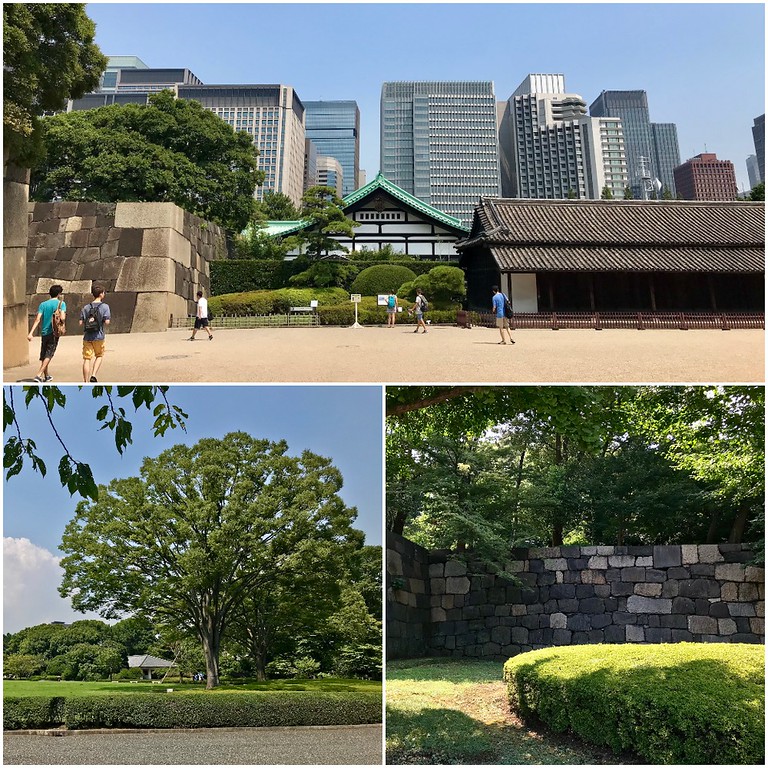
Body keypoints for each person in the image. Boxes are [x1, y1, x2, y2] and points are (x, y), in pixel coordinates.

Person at [27, 284, 66, 382]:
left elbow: (37, 319)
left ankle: (46, 376)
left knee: (44, 354)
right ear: (59, 294)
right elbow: (62, 318)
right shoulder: (61, 304)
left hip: (44, 332)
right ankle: (38, 375)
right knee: (49, 354)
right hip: (54, 332)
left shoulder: (43, 304)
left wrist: (31, 333)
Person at [79, 285, 111, 383]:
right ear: (101, 294)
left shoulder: (86, 307)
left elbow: (80, 322)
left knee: (87, 359)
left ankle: (85, 381)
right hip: (99, 336)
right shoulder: (105, 307)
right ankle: (93, 375)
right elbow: (107, 322)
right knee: (99, 355)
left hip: (87, 336)